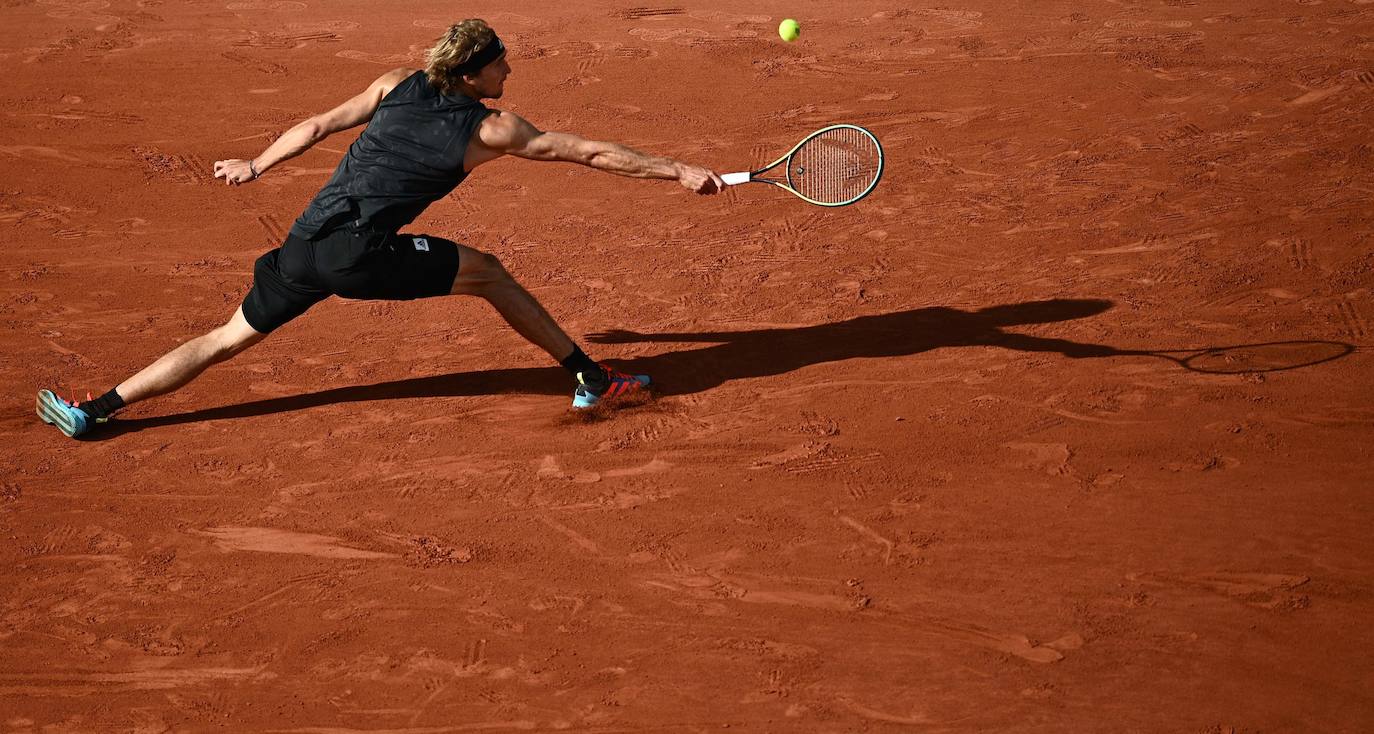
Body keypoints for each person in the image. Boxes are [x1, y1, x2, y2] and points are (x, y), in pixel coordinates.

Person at [35, 19, 725, 438]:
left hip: (302, 243)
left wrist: (255, 165)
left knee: (225, 337)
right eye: (500, 63)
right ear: (472, 71)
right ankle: (591, 378)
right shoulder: (491, 128)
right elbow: (588, 152)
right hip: (356, 254)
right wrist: (678, 170)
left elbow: (314, 126)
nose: (509, 69)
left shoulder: (396, 83)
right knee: (488, 271)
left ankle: (95, 407)